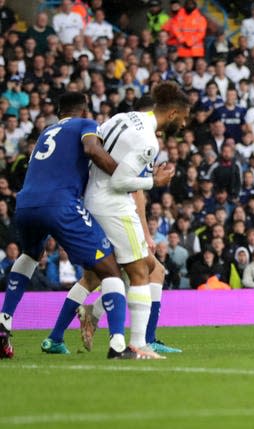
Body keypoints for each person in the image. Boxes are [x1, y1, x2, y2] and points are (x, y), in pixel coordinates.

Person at [41, 82, 188, 357]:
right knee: (142, 271)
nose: (183, 124)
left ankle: (73, 327)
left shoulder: (121, 117)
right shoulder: (148, 140)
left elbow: (94, 149)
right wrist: (153, 180)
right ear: (172, 114)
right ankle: (138, 343)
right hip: (114, 207)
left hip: (90, 199)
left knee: (100, 274)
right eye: (183, 118)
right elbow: (122, 181)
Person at [0, 92, 131, 359]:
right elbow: (92, 150)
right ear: (83, 109)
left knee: (30, 254)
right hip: (60, 204)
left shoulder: (47, 131)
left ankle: (5, 317)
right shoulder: (86, 125)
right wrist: (124, 175)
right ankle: (118, 344)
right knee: (110, 270)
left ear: (60, 111)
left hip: (25, 203)